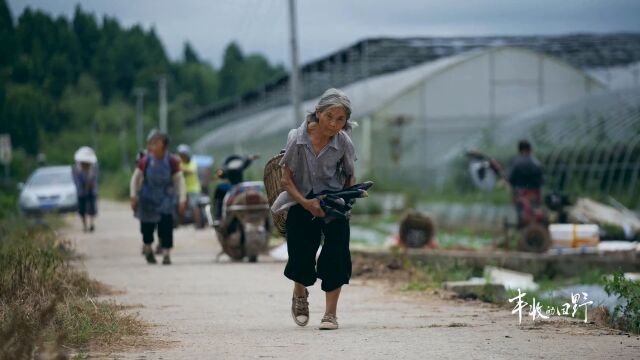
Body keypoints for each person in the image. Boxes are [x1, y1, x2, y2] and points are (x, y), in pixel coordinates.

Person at [278, 88, 357, 330]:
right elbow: (286, 179)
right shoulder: (298, 138)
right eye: (329, 116)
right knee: (301, 254)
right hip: (301, 200)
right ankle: (299, 292)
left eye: (340, 119)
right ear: (318, 113)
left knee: (337, 252)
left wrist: (344, 202)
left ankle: (330, 314)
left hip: (332, 201)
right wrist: (306, 203)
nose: (334, 124)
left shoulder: (343, 141)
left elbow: (350, 176)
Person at [130, 132, 186, 265]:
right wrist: (133, 196)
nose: (152, 145)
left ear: (164, 145)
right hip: (147, 199)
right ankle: (148, 249)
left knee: (166, 226)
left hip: (166, 199)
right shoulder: (146, 161)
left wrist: (182, 199)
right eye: (151, 143)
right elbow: (135, 179)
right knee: (147, 227)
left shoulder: (172, 161)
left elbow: (180, 181)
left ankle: (166, 254)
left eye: (156, 143)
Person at [507, 140, 544, 226]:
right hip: (534, 194)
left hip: (520, 194)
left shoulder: (515, 163)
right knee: (535, 212)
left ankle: (518, 227)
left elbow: (510, 179)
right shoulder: (537, 163)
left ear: (519, 150)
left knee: (518, 215)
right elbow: (541, 181)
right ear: (530, 149)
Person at [177, 144, 202, 227]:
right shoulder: (180, 163)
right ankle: (179, 224)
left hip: (193, 188)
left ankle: (198, 224)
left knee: (194, 206)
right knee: (180, 204)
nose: (182, 156)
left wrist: (180, 169)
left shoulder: (192, 162)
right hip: (183, 189)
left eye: (183, 154)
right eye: (181, 154)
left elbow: (190, 171)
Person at [72, 160, 99, 232]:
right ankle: (84, 225)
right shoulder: (77, 168)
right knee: (82, 209)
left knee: (92, 208)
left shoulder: (93, 167)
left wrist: (91, 183)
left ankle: (91, 224)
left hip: (91, 191)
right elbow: (76, 181)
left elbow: (96, 178)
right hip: (81, 192)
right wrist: (83, 185)